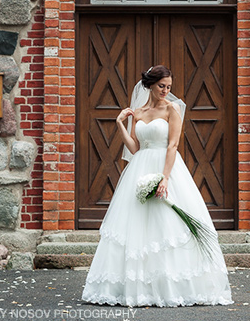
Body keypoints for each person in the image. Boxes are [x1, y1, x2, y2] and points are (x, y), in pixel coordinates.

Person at [82, 65, 233, 307]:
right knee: (136, 226)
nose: (165, 90)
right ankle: (135, 287)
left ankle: (173, 287)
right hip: (140, 168)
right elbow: (134, 148)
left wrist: (164, 178)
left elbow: (172, 146)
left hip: (166, 168)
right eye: (162, 86)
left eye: (169, 87)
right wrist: (120, 124)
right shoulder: (139, 112)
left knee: (168, 226)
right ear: (150, 85)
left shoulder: (172, 110)